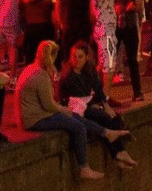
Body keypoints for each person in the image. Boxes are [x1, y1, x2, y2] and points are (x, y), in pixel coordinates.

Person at [16, 40, 128, 180]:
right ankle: (84, 167)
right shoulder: (41, 76)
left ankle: (106, 133)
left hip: (35, 115)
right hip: (35, 119)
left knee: (74, 117)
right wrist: (63, 110)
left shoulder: (32, 69)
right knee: (78, 126)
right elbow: (48, 105)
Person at [58, 43, 137, 168]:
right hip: (75, 107)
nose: (76, 60)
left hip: (87, 103)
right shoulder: (69, 75)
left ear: (86, 58)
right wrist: (94, 104)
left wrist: (105, 105)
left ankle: (118, 153)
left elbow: (98, 89)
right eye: (74, 56)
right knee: (104, 117)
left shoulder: (89, 69)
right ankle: (119, 152)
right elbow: (77, 97)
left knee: (113, 116)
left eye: (80, 57)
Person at [114, 0, 144, 101]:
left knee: (132, 60)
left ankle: (137, 91)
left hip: (130, 26)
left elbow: (139, 6)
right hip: (114, 26)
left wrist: (134, 7)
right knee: (107, 59)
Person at [90, 0, 120, 98]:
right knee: (109, 63)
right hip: (105, 31)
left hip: (106, 30)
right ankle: (106, 97)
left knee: (102, 63)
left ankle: (96, 91)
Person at [58, 0, 92, 66]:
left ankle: (67, 75)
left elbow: (58, 5)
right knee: (82, 53)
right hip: (84, 25)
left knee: (67, 54)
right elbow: (91, 9)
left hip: (69, 24)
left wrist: (60, 22)